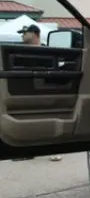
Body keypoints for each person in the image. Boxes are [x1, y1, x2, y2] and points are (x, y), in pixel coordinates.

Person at [13, 24, 62, 162]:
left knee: (52, 120)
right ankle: (27, 151)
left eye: (25, 33)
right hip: (26, 92)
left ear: (35, 34)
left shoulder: (48, 51)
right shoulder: (19, 52)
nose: (22, 35)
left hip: (45, 91)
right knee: (26, 121)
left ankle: (56, 150)